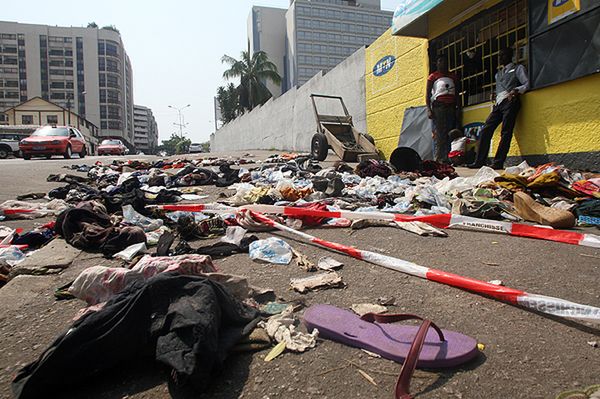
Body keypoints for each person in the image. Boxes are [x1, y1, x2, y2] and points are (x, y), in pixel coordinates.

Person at [468, 47, 529, 169]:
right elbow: (500, 88)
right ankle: (479, 161)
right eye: (499, 55)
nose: (500, 58)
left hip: (511, 101)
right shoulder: (498, 74)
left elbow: (527, 83)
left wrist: (517, 90)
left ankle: (498, 162)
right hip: (499, 103)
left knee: (506, 131)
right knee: (486, 129)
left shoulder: (518, 68)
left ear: (509, 56)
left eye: (503, 55)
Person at [426, 54, 460, 164]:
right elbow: (427, 94)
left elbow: (458, 94)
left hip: (451, 107)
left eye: (445, 61)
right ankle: (440, 159)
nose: (443, 63)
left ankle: (451, 157)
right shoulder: (433, 76)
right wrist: (429, 109)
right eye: (440, 61)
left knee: (451, 132)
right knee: (439, 134)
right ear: (437, 63)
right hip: (438, 108)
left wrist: (458, 108)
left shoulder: (453, 76)